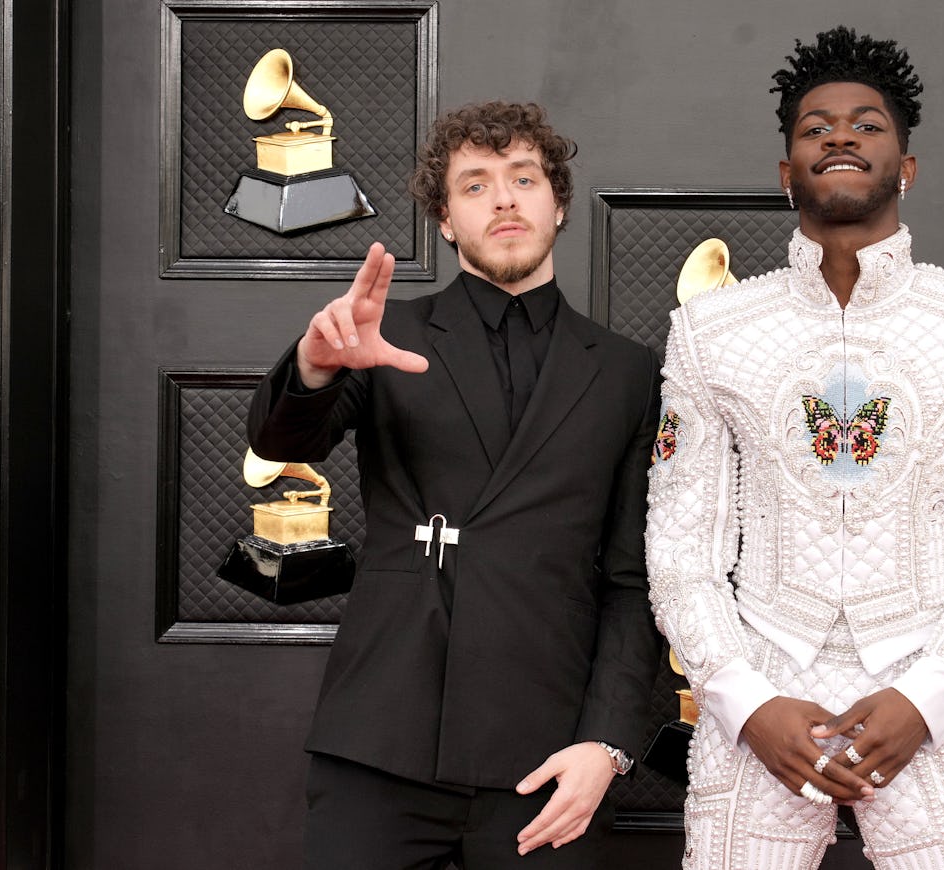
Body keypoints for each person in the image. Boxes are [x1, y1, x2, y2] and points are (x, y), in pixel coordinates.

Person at [645, 26, 944, 870]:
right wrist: (743, 701)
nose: (840, 136)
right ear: (786, 171)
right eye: (815, 128)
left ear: (906, 168)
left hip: (928, 686)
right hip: (762, 686)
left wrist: (930, 697)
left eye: (867, 125)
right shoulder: (709, 331)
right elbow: (680, 545)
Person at [248, 101, 662, 869]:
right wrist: (314, 364)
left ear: (558, 202)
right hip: (381, 740)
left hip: (546, 756)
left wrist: (606, 744)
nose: (503, 199)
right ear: (445, 219)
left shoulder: (628, 371)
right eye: (475, 185)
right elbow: (282, 440)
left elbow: (633, 580)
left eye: (524, 178)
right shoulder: (385, 335)